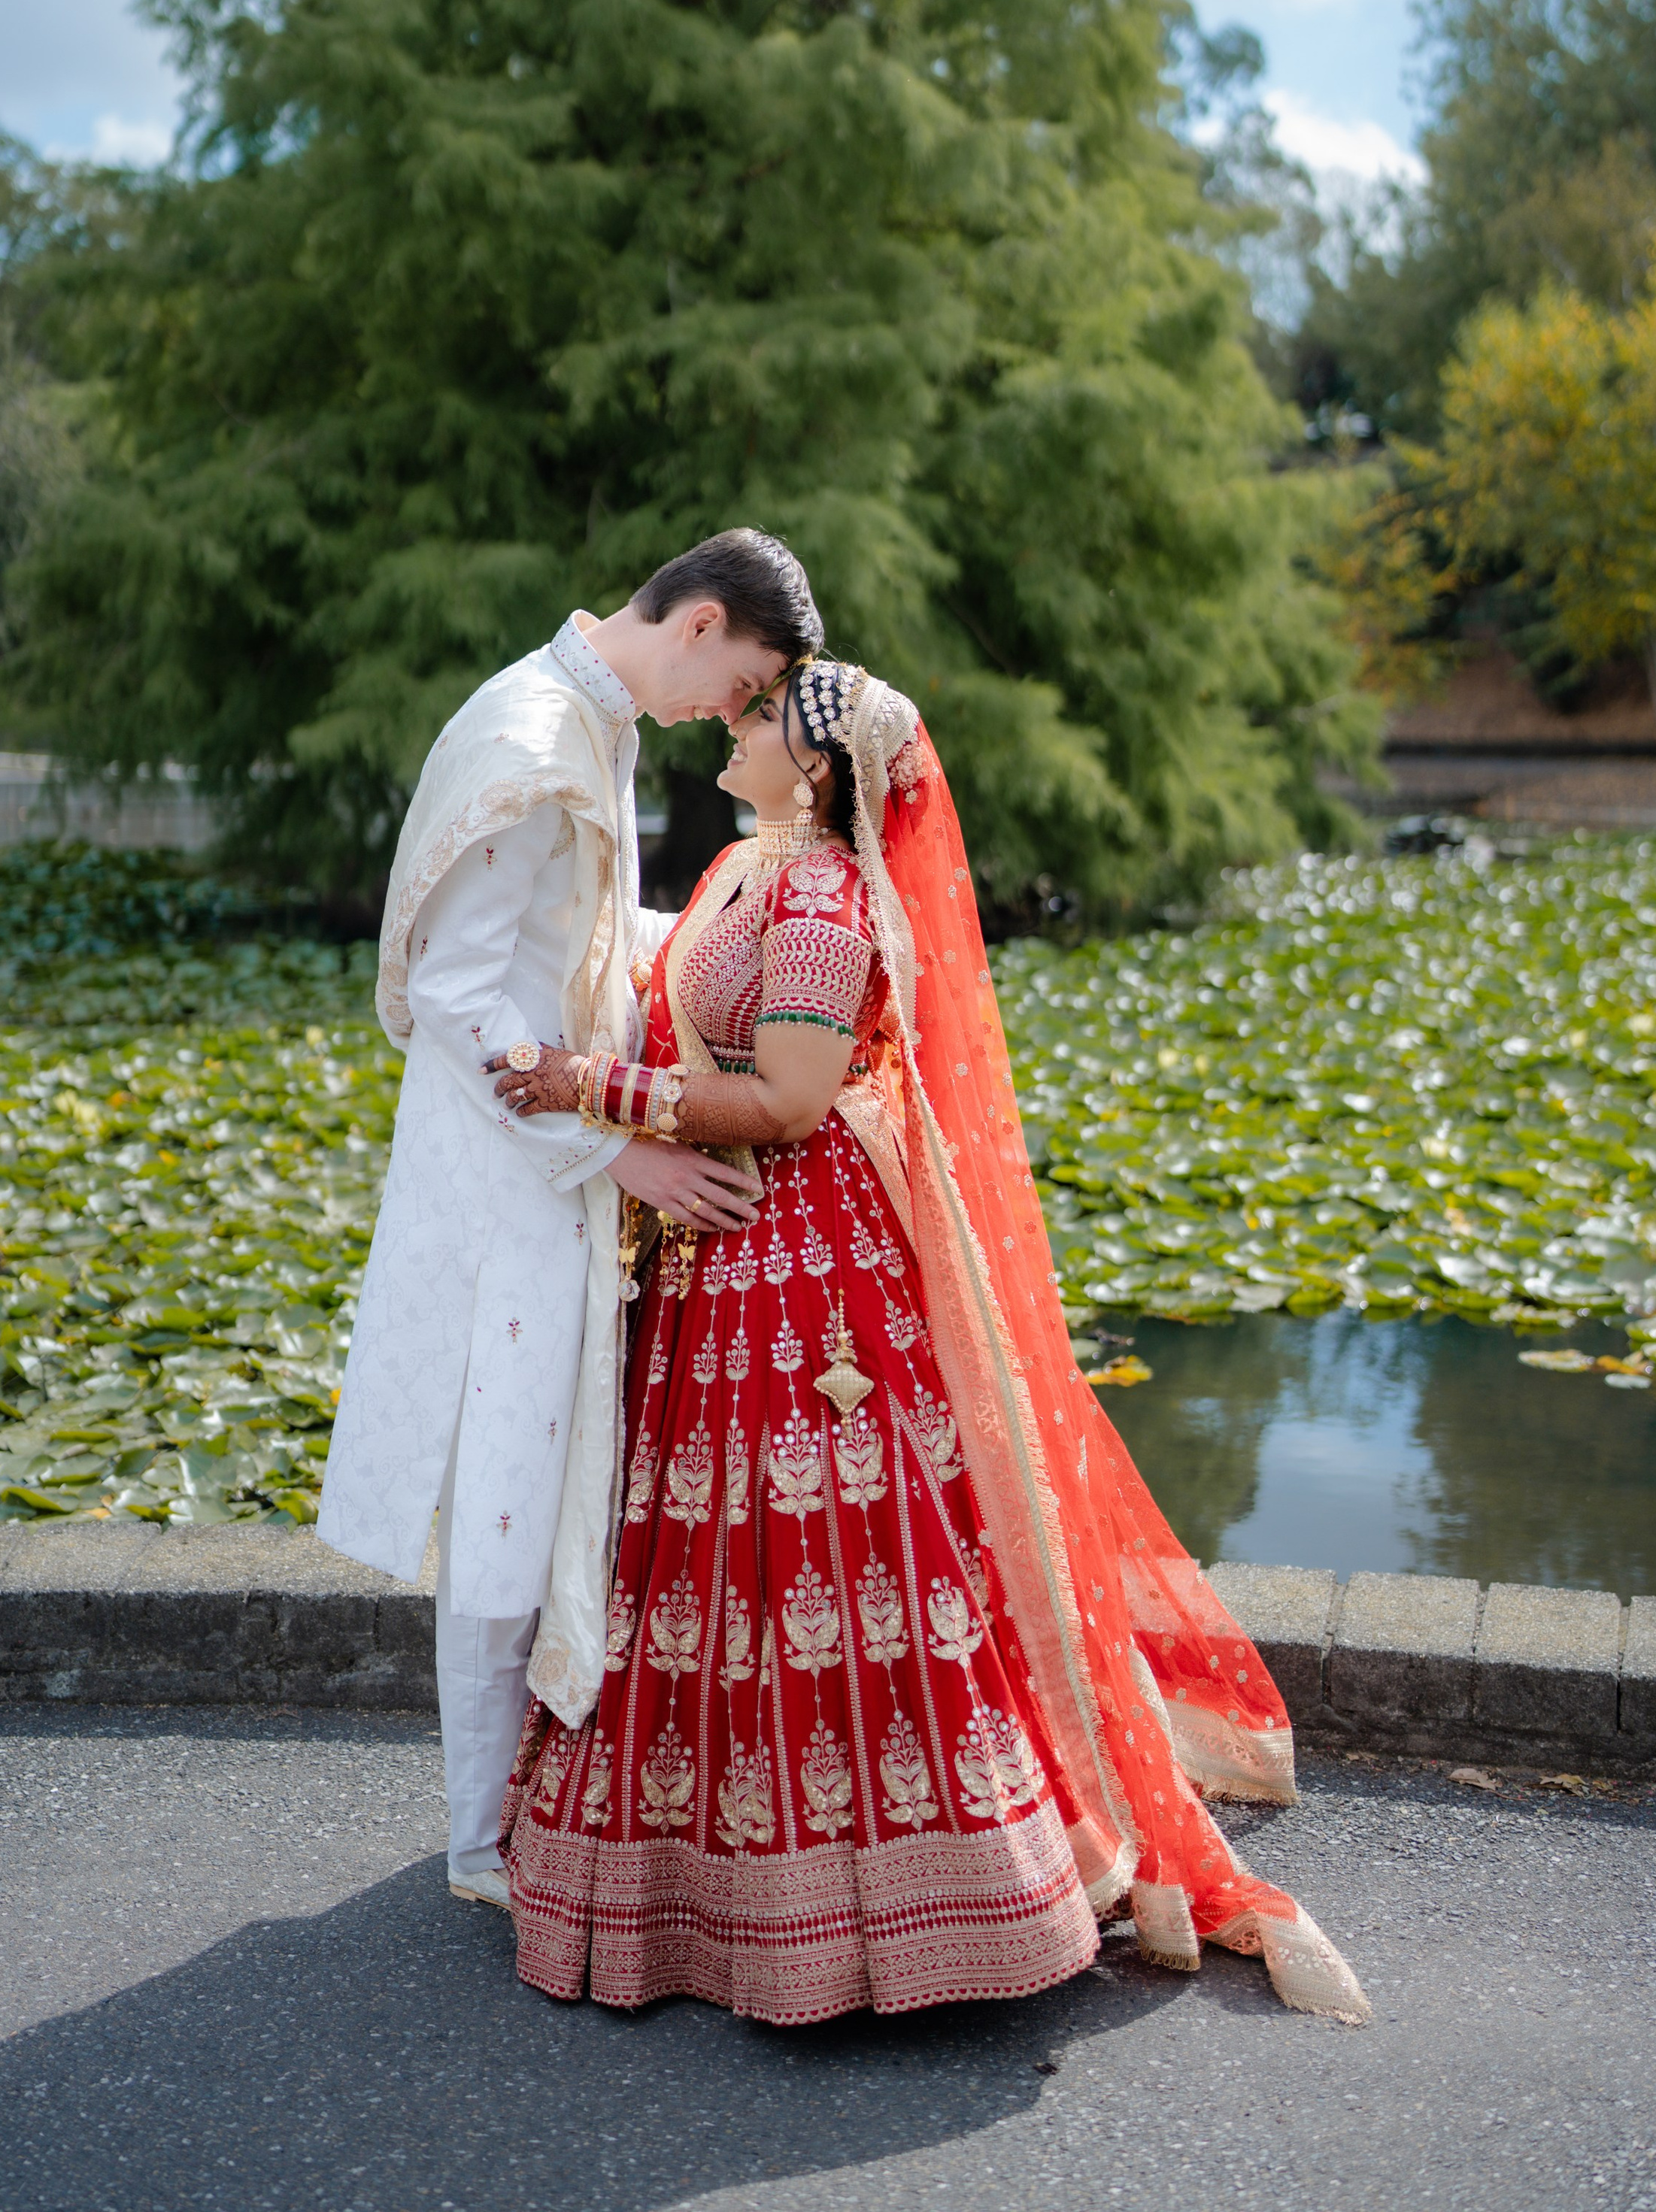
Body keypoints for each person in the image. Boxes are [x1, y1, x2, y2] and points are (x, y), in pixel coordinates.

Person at [488, 662, 1370, 2026]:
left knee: (843, 1558)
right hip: (726, 1255)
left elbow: (786, 1100)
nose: (736, 720)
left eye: (764, 715)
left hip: (811, 1274)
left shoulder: (829, 898)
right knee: (722, 1562)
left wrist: (583, 1087)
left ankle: (921, 1907)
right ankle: (707, 1893)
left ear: (822, 767)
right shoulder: (743, 867)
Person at [317, 532, 823, 1911]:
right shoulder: (542, 738)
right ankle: (480, 1838)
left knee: (544, 1470)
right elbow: (466, 996)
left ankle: (517, 1805)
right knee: (507, 1478)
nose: (740, 714)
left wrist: (739, 936)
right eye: (748, 680)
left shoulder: (585, 719)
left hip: (556, 1138)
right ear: (703, 622)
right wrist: (628, 1153)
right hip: (510, 1163)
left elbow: (583, 942)